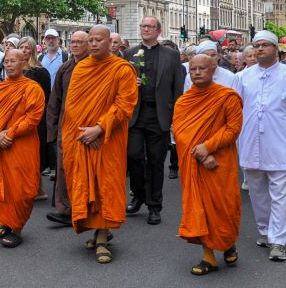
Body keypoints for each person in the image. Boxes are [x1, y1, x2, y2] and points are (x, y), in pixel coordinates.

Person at [237, 30, 286, 262]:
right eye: (256, 45)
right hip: (250, 143)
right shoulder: (243, 76)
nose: (259, 49)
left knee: (281, 195)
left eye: (265, 45)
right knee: (257, 193)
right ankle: (264, 232)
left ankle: (279, 241)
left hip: (281, 143)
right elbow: (234, 112)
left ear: (276, 49)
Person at [63, 25, 138, 264]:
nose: (94, 44)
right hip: (83, 136)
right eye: (91, 40)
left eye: (99, 40)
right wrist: (86, 132)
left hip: (108, 138)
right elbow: (72, 104)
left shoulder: (122, 69)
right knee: (86, 182)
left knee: (106, 184)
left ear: (110, 43)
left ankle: (103, 236)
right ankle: (96, 228)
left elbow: (125, 104)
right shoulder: (81, 68)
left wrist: (99, 129)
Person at [174, 54, 243, 275]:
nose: (196, 73)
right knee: (200, 207)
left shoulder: (227, 97)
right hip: (196, 161)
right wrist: (203, 154)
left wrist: (210, 146)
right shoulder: (184, 101)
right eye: (192, 69)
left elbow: (233, 128)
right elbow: (181, 133)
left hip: (221, 161)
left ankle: (228, 241)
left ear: (214, 69)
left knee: (224, 205)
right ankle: (208, 256)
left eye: (202, 68)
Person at [0, 49, 46, 248]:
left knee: (21, 187)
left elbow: (33, 117)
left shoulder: (33, 88)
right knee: (3, 185)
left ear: (24, 64)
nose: (8, 64)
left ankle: (17, 227)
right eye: (6, 61)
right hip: (1, 144)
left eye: (13, 61)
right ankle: (7, 221)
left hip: (22, 144)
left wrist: (10, 133)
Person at [124, 16, 184, 225]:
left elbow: (178, 88)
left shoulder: (171, 55)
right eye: (143, 26)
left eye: (150, 26)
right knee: (133, 157)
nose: (145, 29)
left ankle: (154, 205)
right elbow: (121, 86)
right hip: (135, 115)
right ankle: (139, 193)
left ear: (159, 31)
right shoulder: (128, 54)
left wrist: (176, 118)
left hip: (159, 115)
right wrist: (132, 84)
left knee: (156, 161)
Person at [46, 30, 88, 226]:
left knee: (85, 170)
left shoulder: (95, 68)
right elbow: (55, 101)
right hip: (67, 126)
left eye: (80, 42)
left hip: (89, 127)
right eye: (73, 41)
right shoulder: (65, 68)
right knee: (63, 167)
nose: (76, 45)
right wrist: (52, 129)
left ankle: (84, 208)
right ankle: (63, 209)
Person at [19, 36, 52, 200]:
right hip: (17, 117)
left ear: (32, 50)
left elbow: (46, 97)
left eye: (27, 47)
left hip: (35, 117)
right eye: (21, 47)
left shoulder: (40, 72)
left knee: (34, 152)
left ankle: (37, 188)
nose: (24, 50)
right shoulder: (15, 70)